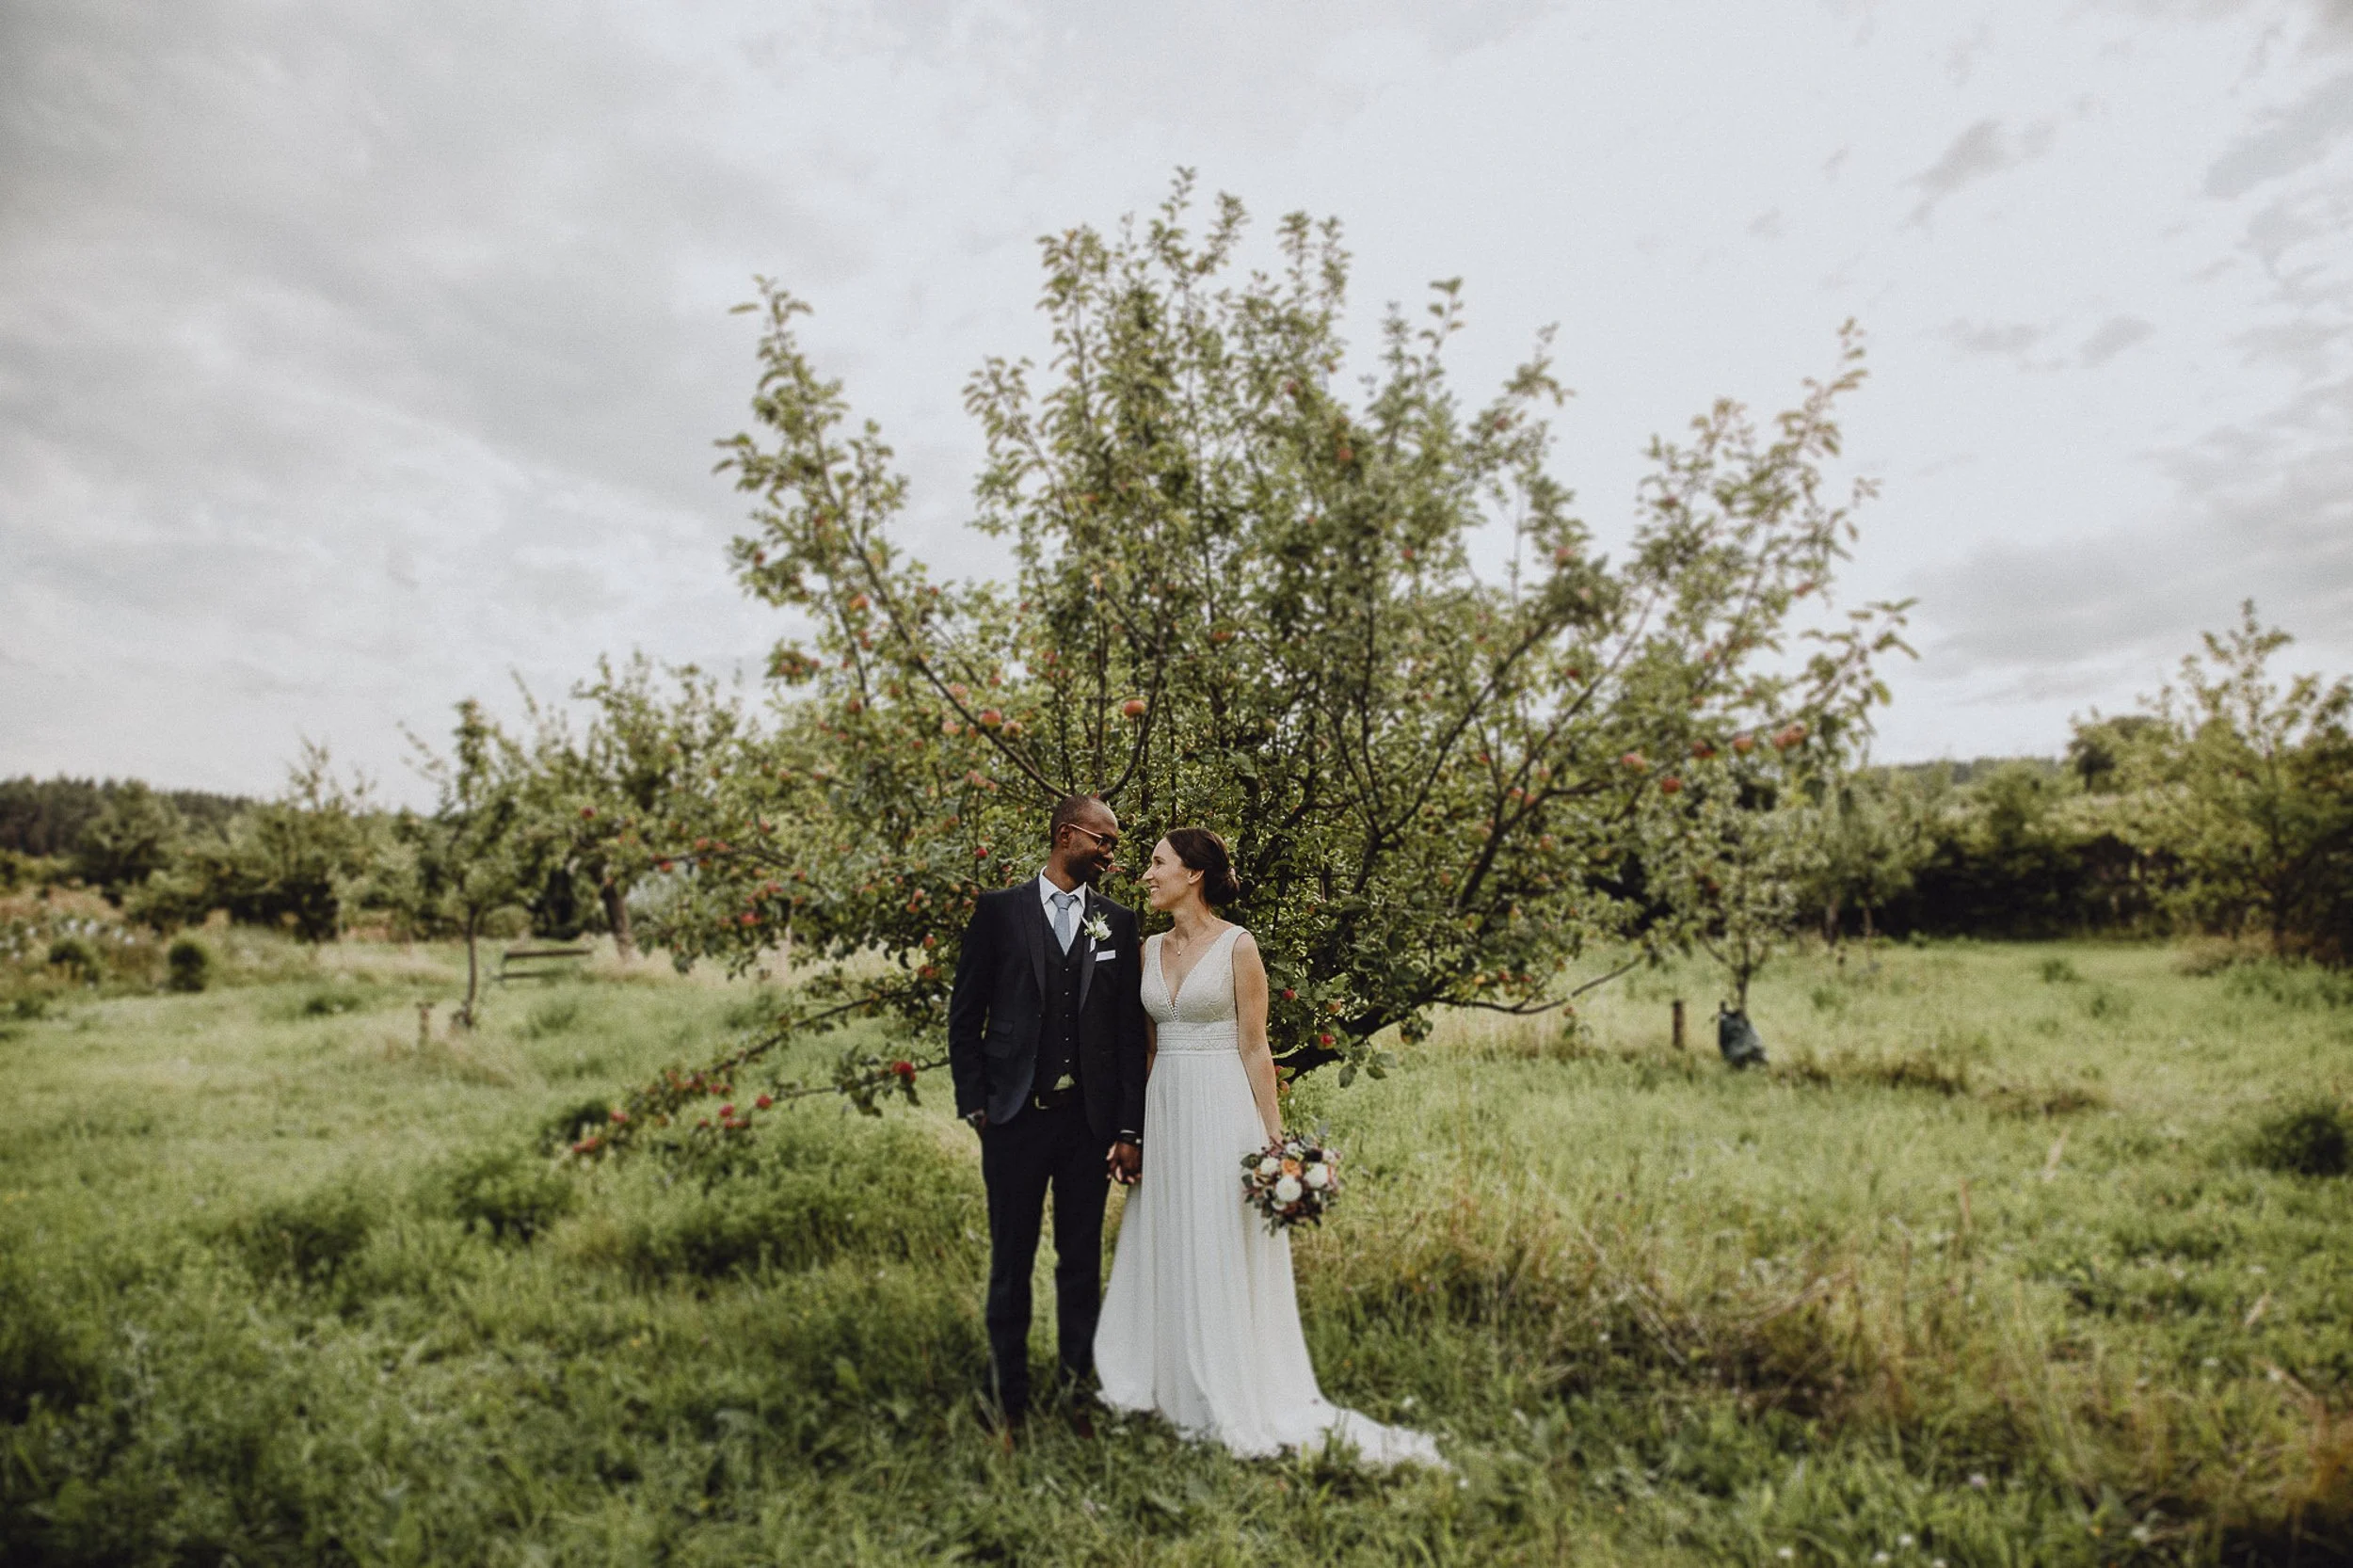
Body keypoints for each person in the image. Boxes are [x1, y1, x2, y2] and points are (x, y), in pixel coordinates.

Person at [1092, 826, 1443, 1465]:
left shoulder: (1238, 946)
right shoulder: (1145, 949)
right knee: (1170, 1234)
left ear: (1193, 873)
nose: (1147, 873)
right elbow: (1144, 1049)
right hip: (1166, 1107)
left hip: (1223, 1108)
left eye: (1158, 862)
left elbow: (1255, 1046)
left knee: (1219, 1238)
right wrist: (1135, 1132)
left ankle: (1227, 1384)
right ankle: (1167, 1384)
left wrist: (1275, 1140)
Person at [947, 793, 1147, 1433]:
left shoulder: (1119, 922)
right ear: (1067, 836)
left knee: (1079, 1263)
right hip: (1012, 1120)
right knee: (1010, 1263)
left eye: (1114, 844)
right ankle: (1009, 1402)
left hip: (1085, 1126)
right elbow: (964, 1015)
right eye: (1104, 841)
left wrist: (1126, 1128)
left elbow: (1125, 1035)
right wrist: (976, 1105)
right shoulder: (998, 912)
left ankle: (1077, 1395)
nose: (1111, 854)